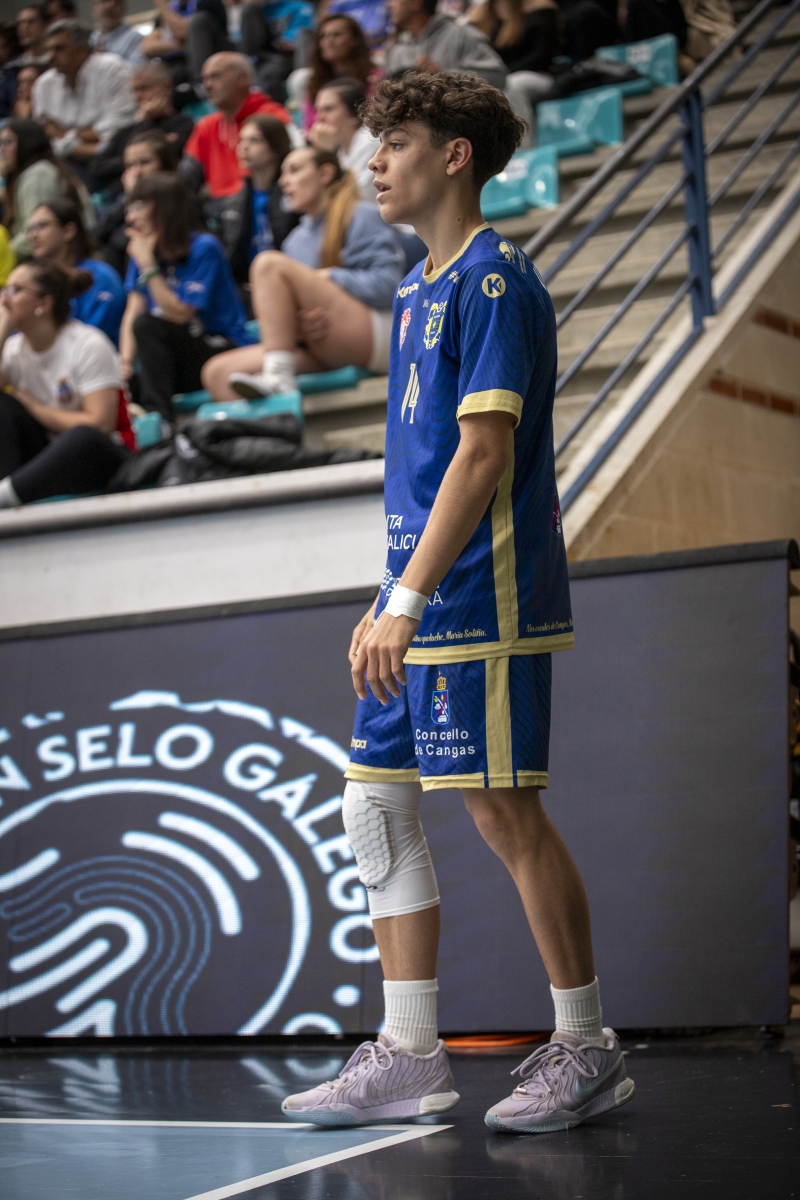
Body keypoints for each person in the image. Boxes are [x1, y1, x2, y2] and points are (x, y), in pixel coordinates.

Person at [278, 70, 635, 1134]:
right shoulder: (413, 292)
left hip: (482, 591)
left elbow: (481, 456)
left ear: (453, 155)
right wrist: (389, 592)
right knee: (372, 803)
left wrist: (410, 593)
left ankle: (587, 1045)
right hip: (417, 590)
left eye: (394, 143)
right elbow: (424, 467)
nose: (373, 162)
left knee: (500, 812)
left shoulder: (493, 282)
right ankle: (408, 1053)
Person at [201, 145, 405, 399]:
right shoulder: (294, 241)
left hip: (378, 334)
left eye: (295, 170)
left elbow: (389, 286)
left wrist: (328, 278)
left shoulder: (361, 214)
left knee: (267, 264)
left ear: (324, 174)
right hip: (320, 342)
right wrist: (299, 326)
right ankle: (274, 423)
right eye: (283, 174)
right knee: (217, 373)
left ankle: (278, 376)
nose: (284, 181)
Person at [119, 172, 253, 421]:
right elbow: (133, 309)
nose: (130, 218)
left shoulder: (204, 247)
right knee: (123, 385)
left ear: (164, 209)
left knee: (147, 327)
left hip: (221, 349)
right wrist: (125, 364)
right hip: (179, 355)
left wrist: (149, 267)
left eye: (138, 207)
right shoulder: (143, 251)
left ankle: (161, 422)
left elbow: (180, 314)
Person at [0, 261, 132, 509]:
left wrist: (33, 406)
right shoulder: (13, 350)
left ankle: (4, 497)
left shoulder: (87, 344)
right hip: (44, 459)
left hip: (100, 457)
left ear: (44, 304)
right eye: (3, 290)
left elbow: (100, 425)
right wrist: (2, 331)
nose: (4, 299)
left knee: (83, 436)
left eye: (15, 290)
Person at [181, 52, 292, 205]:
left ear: (242, 78)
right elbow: (186, 177)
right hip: (217, 208)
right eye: (204, 79)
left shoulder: (273, 117)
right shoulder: (207, 125)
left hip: (262, 202)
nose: (207, 85)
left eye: (215, 77)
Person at [32, 20, 136, 172]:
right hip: (63, 162)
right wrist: (87, 145)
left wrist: (64, 133)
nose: (51, 56)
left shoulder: (111, 69)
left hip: (110, 161)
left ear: (82, 49)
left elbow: (118, 129)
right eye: (49, 50)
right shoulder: (44, 84)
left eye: (59, 49)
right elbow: (46, 137)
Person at [27, 199, 126, 345]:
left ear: (68, 231)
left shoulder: (99, 277)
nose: (33, 235)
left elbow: (92, 340)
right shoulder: (33, 282)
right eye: (29, 229)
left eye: (42, 226)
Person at [90, 60, 194, 194]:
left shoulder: (183, 125)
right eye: (134, 90)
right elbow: (97, 168)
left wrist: (122, 161)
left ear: (166, 88)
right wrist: (142, 124)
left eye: (144, 88)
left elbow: (171, 157)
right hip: (118, 195)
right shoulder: (126, 130)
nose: (138, 96)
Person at [220, 114, 299, 289]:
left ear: (275, 146)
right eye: (242, 140)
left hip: (287, 282)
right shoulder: (235, 200)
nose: (244, 147)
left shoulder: (294, 194)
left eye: (254, 140)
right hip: (246, 285)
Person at [0, 118, 94, 259]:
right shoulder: (44, 168)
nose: (2, 149)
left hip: (67, 259)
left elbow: (34, 235)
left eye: (8, 142)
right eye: (0, 143)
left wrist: (3, 256)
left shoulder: (38, 176)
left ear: (27, 143)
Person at [94, 130, 179, 278]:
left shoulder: (183, 198)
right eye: (130, 166)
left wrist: (132, 196)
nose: (136, 172)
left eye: (145, 162)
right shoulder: (124, 197)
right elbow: (97, 235)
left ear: (165, 164)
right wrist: (130, 197)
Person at [383, 0, 506, 89]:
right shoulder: (397, 51)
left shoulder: (461, 35)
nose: (388, 4)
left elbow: (498, 78)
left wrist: (443, 75)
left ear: (416, 3)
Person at [308, 78, 379, 202]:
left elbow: (354, 198)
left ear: (355, 114)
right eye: (318, 110)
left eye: (328, 109)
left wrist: (326, 154)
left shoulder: (371, 141)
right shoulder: (341, 149)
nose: (319, 118)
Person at [300, 13, 376, 130]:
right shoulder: (315, 81)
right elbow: (310, 126)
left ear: (354, 40)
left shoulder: (373, 77)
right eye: (323, 36)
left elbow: (375, 120)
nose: (328, 41)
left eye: (336, 34)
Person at [141, 0, 232, 85]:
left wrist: (163, 6)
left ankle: (199, 86)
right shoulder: (170, 10)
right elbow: (148, 48)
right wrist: (183, 45)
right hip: (173, 68)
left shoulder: (207, 3)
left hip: (202, 64)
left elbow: (183, 32)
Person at [240, 0, 315, 102]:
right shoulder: (257, 10)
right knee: (248, 8)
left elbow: (296, 42)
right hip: (263, 55)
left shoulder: (300, 7)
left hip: (287, 56)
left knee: (269, 73)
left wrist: (283, 43)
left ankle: (275, 109)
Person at [90, 0, 145, 66]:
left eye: (117, 1)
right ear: (93, 9)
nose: (110, 6)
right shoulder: (90, 39)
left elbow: (136, 69)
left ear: (124, 8)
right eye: (104, 1)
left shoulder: (136, 39)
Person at [320, 0, 390, 52]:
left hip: (380, 50)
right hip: (347, 51)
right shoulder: (339, 4)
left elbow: (389, 32)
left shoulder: (386, 3)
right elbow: (327, 29)